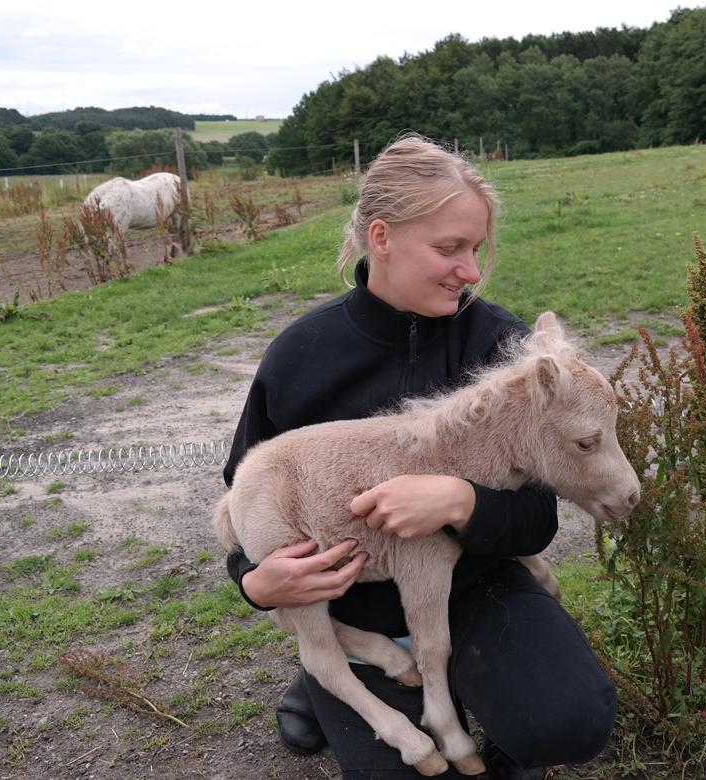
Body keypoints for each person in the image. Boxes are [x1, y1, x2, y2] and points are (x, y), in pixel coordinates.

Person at [222, 134, 616, 779]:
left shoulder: (503, 348)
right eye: (448, 248)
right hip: (355, 600)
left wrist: (463, 502)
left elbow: (539, 517)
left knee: (566, 721)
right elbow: (244, 499)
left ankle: (487, 708)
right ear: (381, 238)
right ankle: (329, 670)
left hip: (475, 582)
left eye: (477, 249)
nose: (471, 272)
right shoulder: (299, 357)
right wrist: (255, 583)